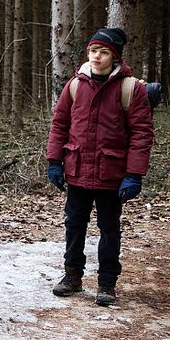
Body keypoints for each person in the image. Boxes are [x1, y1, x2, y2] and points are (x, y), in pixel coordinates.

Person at [46, 27, 154, 307]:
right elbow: (60, 124)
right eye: (93, 51)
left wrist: (134, 174)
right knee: (74, 225)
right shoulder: (75, 84)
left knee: (109, 229)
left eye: (103, 52)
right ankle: (72, 276)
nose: (96, 57)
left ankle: (107, 284)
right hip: (78, 169)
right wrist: (54, 161)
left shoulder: (131, 88)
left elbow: (142, 133)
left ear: (114, 57)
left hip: (112, 173)